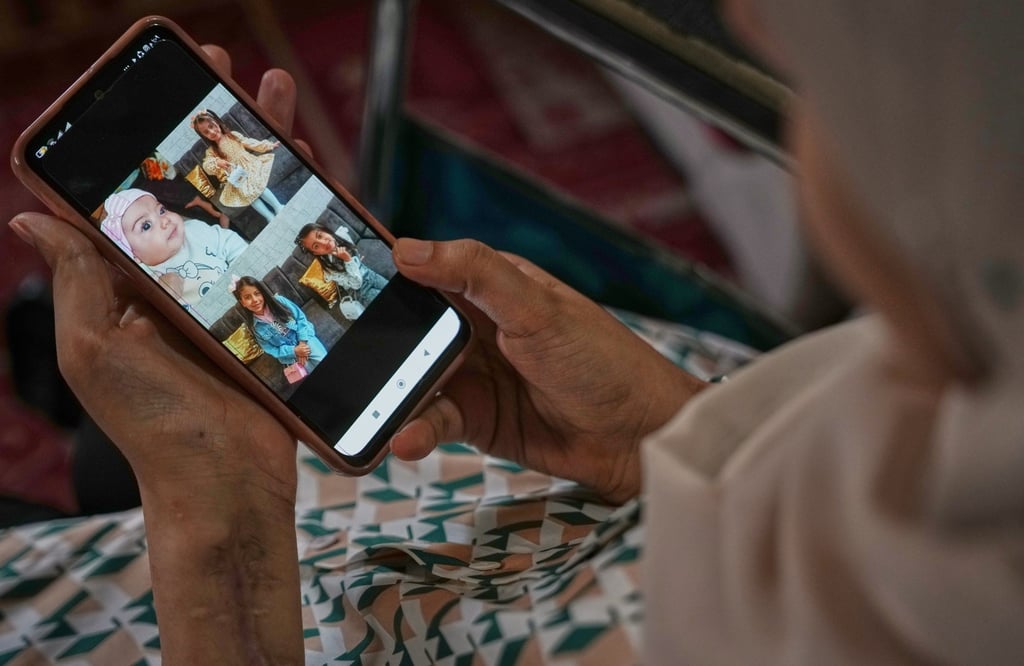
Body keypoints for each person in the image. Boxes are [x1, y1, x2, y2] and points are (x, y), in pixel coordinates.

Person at [7, 0, 1023, 660]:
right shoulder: (960, 447)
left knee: (96, 468)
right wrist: (654, 436)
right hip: (603, 481)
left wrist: (217, 531)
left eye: (828, 105)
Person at [99, 187, 248, 308]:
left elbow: (230, 241)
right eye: (146, 225)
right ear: (132, 254)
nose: (165, 220)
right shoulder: (145, 279)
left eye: (161, 210)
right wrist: (163, 293)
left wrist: (245, 269)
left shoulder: (194, 230)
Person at [192, 108, 285, 223]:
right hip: (237, 174)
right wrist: (217, 162)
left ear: (217, 122)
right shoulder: (211, 151)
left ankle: (278, 207)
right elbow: (207, 165)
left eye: (211, 126)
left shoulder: (233, 135)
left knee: (260, 188)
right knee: (249, 197)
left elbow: (250, 143)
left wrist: (268, 145)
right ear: (204, 136)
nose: (211, 132)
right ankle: (268, 216)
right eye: (206, 132)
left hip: (249, 165)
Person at [232, 274, 327, 374]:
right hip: (291, 356)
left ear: (263, 293)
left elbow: (300, 318)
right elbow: (270, 349)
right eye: (247, 297)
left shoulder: (279, 301)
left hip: (305, 340)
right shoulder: (254, 327)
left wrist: (302, 343)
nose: (255, 300)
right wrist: (294, 350)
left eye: (257, 293)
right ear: (242, 303)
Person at [295, 221, 388, 313]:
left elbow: (353, 249)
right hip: (362, 292)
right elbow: (356, 284)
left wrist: (357, 261)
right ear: (316, 253)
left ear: (325, 230)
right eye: (316, 246)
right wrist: (348, 260)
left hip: (371, 275)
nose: (323, 243)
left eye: (319, 236)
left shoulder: (342, 236)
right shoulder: (329, 270)